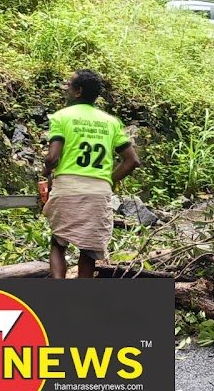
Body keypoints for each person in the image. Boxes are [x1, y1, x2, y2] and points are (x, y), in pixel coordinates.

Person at [41, 69, 140, 279]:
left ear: (78, 92)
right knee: (89, 250)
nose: (66, 89)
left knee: (58, 243)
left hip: (68, 188)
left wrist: (46, 170)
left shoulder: (61, 117)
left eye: (69, 85)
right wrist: (108, 180)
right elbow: (132, 161)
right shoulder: (111, 122)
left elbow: (53, 158)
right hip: (99, 192)